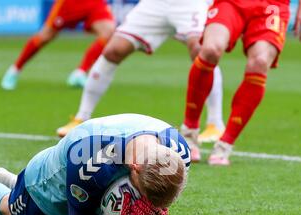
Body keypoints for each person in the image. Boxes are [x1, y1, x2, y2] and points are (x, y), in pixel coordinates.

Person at [0, 114, 190, 215]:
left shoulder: (180, 151)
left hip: (92, 165)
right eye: (144, 194)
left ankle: (14, 181)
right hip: (51, 182)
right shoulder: (90, 165)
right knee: (10, 211)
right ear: (134, 167)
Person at [56, 0, 225, 152]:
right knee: (113, 50)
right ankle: (81, 118)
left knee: (201, 51)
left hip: (190, 4)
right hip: (154, 4)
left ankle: (214, 123)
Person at [180, 0, 301, 165]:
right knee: (210, 50)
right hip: (232, 2)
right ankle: (189, 134)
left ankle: (225, 144)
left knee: (260, 62)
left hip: (273, 5)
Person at [1, 0, 115, 90]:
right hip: (70, 3)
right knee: (45, 36)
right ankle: (14, 70)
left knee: (108, 32)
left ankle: (80, 73)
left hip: (93, 2)